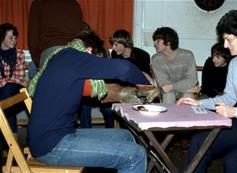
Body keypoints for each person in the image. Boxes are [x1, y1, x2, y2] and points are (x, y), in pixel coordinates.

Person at [27, 30, 149, 172]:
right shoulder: (74, 58)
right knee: (136, 155)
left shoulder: (63, 59)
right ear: (89, 51)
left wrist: (123, 92)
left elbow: (97, 91)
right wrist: (146, 85)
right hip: (51, 145)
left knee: (124, 135)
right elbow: (124, 68)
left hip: (57, 135)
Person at [177, 10, 237, 173]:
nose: (225, 45)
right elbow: (229, 98)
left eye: (228, 39)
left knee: (234, 160)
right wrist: (198, 102)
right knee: (199, 142)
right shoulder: (235, 64)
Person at [27, 0, 87, 77]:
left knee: (32, 70)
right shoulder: (74, 3)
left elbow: (33, 39)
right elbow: (82, 33)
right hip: (74, 52)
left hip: (51, 51)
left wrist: (39, 63)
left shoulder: (39, 3)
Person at [151, 27, 198, 103]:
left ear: (168, 42)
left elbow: (192, 80)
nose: (154, 44)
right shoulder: (156, 59)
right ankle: (169, 115)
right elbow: (164, 86)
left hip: (182, 91)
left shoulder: (187, 55)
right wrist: (187, 88)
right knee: (168, 94)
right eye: (154, 41)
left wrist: (172, 87)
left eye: (158, 40)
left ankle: (185, 115)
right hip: (169, 92)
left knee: (188, 96)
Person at [0, 23, 27, 134]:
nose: (14, 40)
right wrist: (6, 80)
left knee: (8, 89)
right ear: (2, 38)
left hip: (14, 88)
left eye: (15, 38)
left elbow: (18, 77)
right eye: (10, 37)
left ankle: (10, 138)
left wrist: (4, 81)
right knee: (5, 93)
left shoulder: (19, 54)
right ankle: (11, 137)